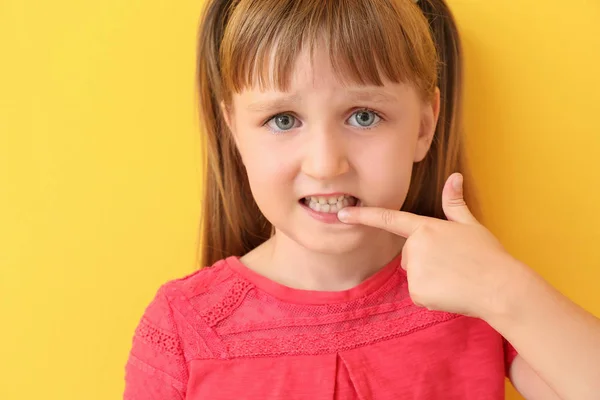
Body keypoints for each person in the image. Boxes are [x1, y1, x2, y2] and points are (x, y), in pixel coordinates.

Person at [124, 0, 600, 398]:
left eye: (364, 116)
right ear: (234, 131)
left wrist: (504, 289)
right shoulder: (183, 328)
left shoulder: (474, 293)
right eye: (284, 120)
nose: (326, 164)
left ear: (424, 126)